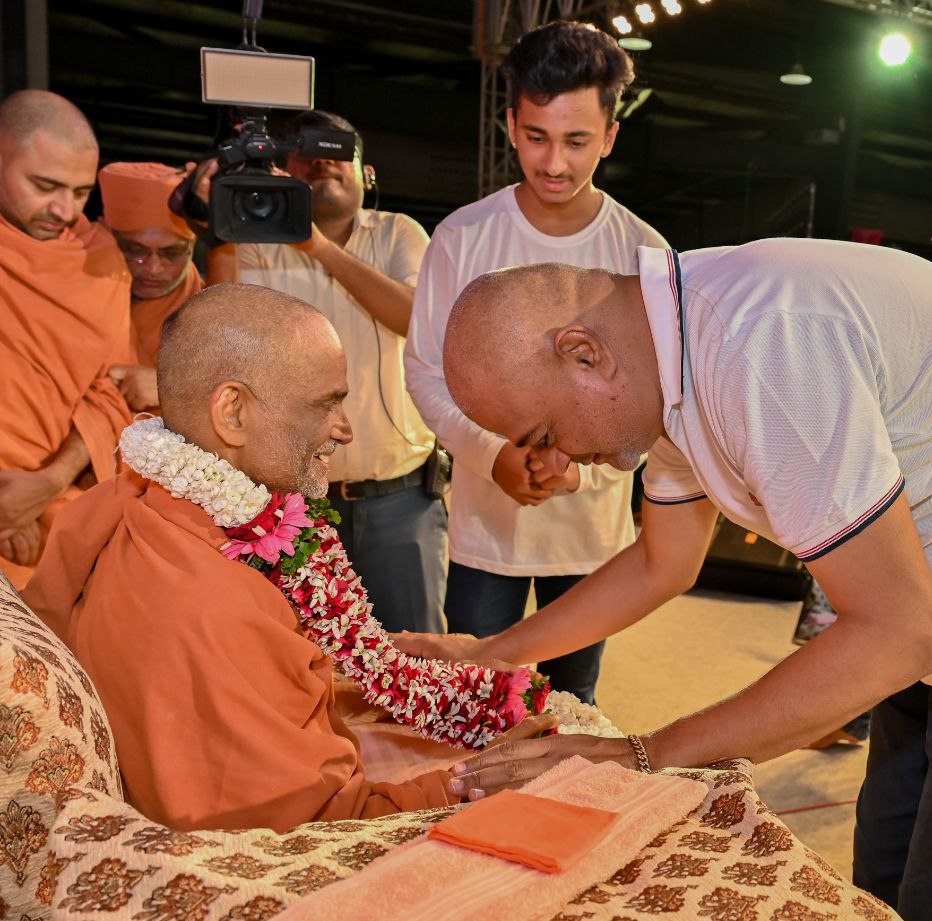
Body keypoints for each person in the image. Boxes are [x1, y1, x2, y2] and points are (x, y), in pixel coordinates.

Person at [410, 239, 932, 921]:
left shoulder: (760, 348)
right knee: (883, 880)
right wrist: (491, 651)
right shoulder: (666, 353)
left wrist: (644, 754)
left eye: (546, 433)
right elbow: (660, 563)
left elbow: (899, 634)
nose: (560, 463)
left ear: (585, 354)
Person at [25, 284, 551, 832]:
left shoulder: (129, 499)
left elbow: (288, 665)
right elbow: (311, 822)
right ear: (232, 412)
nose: (345, 428)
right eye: (326, 404)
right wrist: (470, 782)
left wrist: (412, 662)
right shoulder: (210, 604)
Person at [404, 21, 666, 704]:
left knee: (572, 707)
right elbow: (425, 370)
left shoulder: (645, 253)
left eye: (576, 141)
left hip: (591, 538)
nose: (553, 163)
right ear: (510, 126)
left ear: (610, 136)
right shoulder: (463, 236)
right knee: (471, 698)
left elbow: (659, 401)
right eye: (537, 137)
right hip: (485, 530)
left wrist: (581, 469)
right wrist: (492, 453)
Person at [226, 110, 445, 635]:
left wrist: (317, 248)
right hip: (292, 505)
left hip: (398, 501)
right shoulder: (258, 242)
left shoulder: (398, 232)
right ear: (283, 169)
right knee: (297, 657)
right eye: (305, 152)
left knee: (415, 653)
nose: (323, 161)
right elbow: (240, 341)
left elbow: (417, 320)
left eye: (337, 150)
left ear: (366, 173)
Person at [0, 89, 132, 589]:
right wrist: (8, 510)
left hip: (57, 518)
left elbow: (111, 394)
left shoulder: (99, 260)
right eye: (44, 186)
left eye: (80, 192)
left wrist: (46, 484)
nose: (63, 209)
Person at [96, 161, 206, 411]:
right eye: (135, 250)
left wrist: (170, 389)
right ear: (107, 236)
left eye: (172, 253)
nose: (153, 268)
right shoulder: (75, 298)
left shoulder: (209, 312)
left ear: (192, 247)